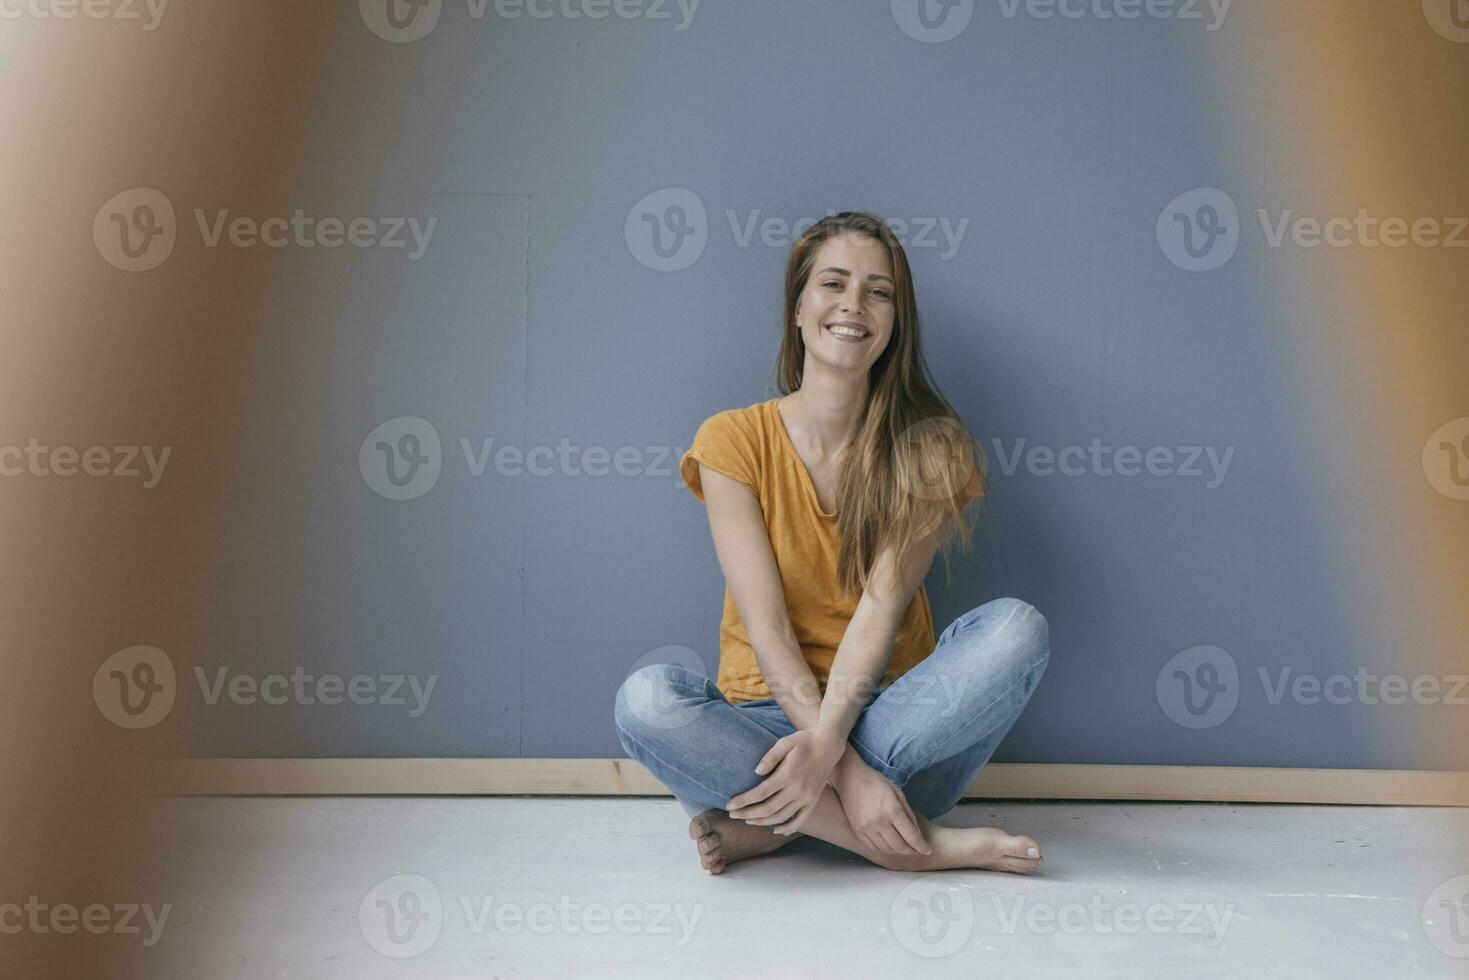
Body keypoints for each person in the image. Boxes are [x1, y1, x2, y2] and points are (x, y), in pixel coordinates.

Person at [615, 211, 1051, 875]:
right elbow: (768, 631)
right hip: (762, 733)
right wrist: (839, 768)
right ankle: (915, 846)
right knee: (645, 700)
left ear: (895, 320)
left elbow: (880, 608)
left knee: (1017, 628)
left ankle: (775, 827)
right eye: (833, 283)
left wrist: (832, 745)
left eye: (878, 292)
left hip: (894, 725)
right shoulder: (731, 440)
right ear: (798, 307)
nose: (854, 305)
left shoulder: (930, 448)